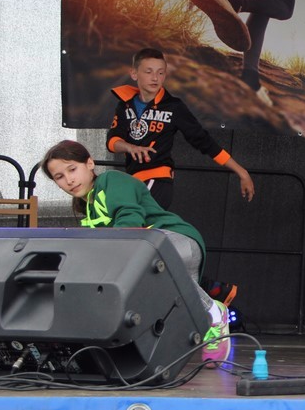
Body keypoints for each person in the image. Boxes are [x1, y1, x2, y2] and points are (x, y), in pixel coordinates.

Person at [41, 140, 233, 366]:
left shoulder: (111, 180)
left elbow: (129, 218)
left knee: (135, 258)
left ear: (90, 163)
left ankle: (214, 311)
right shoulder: (89, 209)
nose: (69, 179)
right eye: (59, 177)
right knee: (184, 313)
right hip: (148, 251)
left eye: (72, 169)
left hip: (171, 240)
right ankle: (207, 319)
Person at [107, 48, 255, 210]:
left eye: (161, 73)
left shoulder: (174, 107)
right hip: (133, 179)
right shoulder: (124, 105)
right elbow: (112, 142)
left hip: (158, 178)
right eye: (149, 72)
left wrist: (241, 172)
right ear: (134, 74)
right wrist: (130, 147)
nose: (155, 78)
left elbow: (203, 141)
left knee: (132, 218)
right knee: (129, 222)